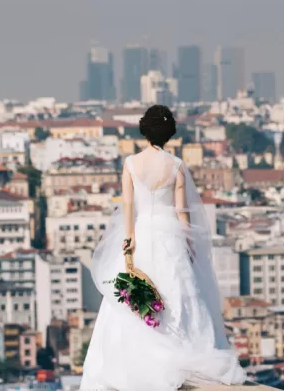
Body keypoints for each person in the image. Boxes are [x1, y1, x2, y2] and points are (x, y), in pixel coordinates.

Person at [80, 105, 247, 390]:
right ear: (169, 133)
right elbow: (183, 212)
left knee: (131, 300)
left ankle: (135, 361)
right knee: (178, 294)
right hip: (170, 235)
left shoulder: (131, 163)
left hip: (142, 233)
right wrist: (190, 245)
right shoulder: (176, 165)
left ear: (145, 131)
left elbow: (129, 206)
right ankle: (181, 355)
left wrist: (129, 240)